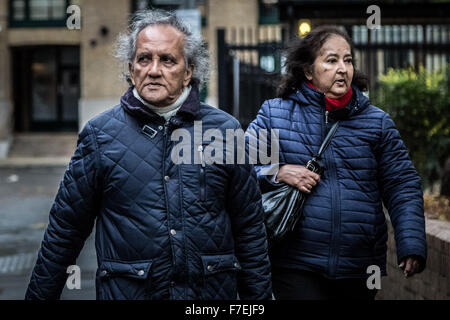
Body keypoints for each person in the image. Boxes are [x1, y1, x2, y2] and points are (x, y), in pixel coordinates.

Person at [25, 9, 272, 300]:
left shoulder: (224, 130)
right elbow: (64, 231)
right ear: (131, 69)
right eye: (144, 59)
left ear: (189, 71)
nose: (154, 70)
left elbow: (250, 228)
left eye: (167, 59)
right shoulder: (100, 135)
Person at [247, 26, 427, 300]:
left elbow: (402, 184)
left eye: (348, 60)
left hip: (359, 266)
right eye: (331, 60)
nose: (342, 68)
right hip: (295, 262)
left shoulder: (377, 122)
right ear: (309, 71)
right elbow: (238, 167)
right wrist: (277, 172)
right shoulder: (275, 113)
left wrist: (411, 243)